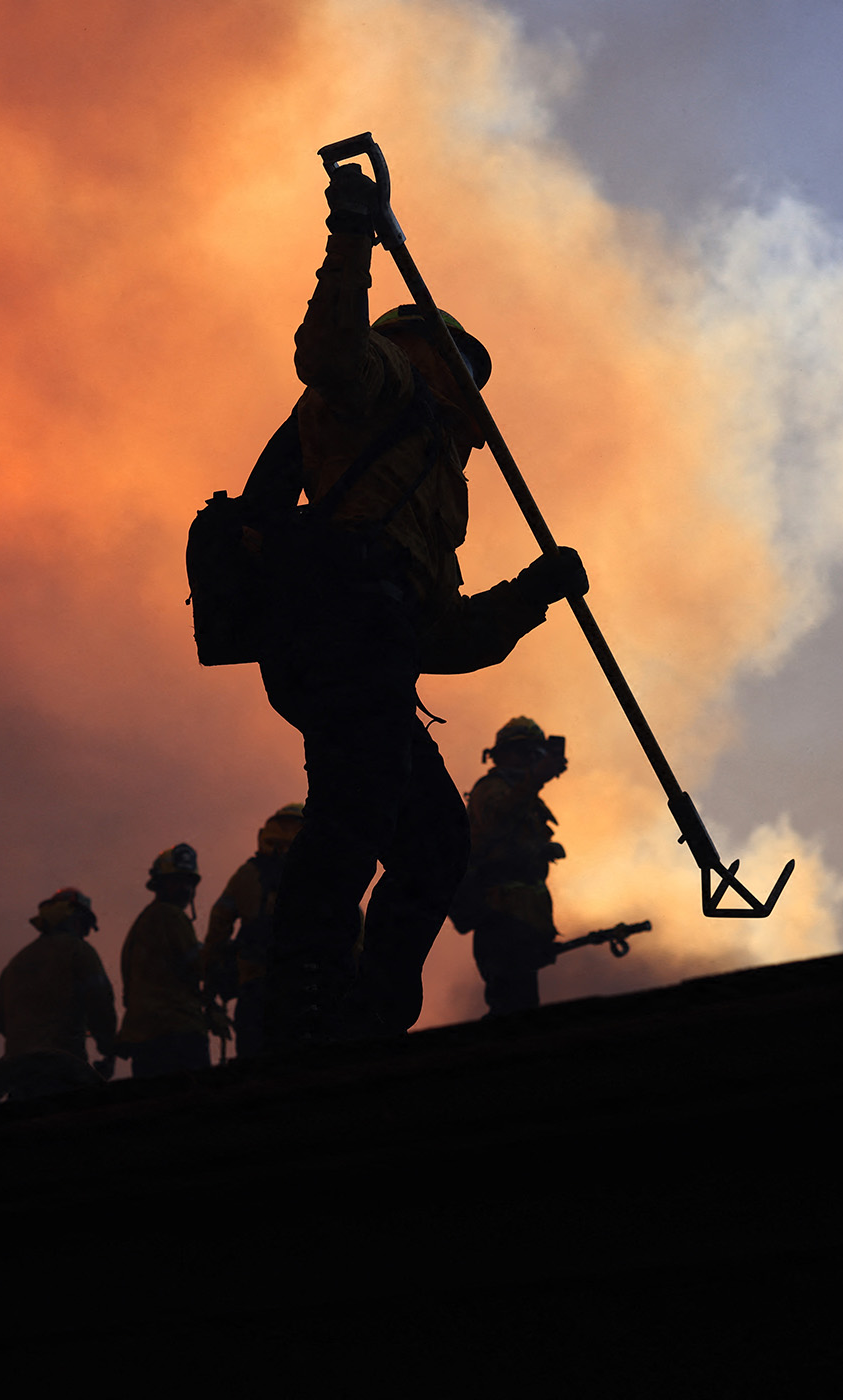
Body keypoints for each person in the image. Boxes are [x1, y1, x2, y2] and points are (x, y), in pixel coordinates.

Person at [256, 163, 589, 1048]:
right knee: (355, 806)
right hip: (339, 627)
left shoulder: (435, 481)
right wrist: (352, 235)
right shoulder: (384, 386)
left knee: (435, 842)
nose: (480, 410)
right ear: (439, 359)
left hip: (377, 646)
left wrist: (532, 594)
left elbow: (444, 635)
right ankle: (308, 995)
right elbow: (327, 349)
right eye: (470, 377)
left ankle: (367, 1008)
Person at [449, 718, 568, 1014]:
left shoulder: (528, 799)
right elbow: (496, 820)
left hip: (525, 919)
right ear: (501, 754)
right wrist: (535, 779)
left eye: (535, 753)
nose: (530, 759)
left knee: (523, 1007)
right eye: (524, 751)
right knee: (511, 1010)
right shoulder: (490, 789)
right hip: (498, 918)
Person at [0, 886, 118, 1089]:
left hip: (18, 1072)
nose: (84, 933)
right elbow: (100, 1003)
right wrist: (108, 1050)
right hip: (63, 1067)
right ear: (77, 920)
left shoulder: (17, 962)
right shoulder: (79, 952)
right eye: (84, 926)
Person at [204, 803, 304, 1057]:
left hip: (254, 987)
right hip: (303, 988)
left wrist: (212, 970)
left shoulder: (247, 874)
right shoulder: (318, 875)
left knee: (254, 1065)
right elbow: (351, 931)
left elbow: (218, 926)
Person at [116, 844, 214, 1078]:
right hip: (177, 1033)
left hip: (144, 1038)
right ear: (161, 884)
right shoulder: (169, 916)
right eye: (178, 881)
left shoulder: (142, 924)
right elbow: (199, 965)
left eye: (190, 883)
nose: (186, 889)